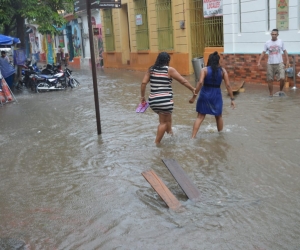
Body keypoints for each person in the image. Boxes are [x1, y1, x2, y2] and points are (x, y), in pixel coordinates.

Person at [140, 52, 196, 144]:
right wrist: (193, 89)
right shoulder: (169, 70)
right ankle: (156, 143)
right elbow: (183, 81)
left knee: (167, 119)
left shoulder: (151, 70)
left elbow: (143, 83)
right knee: (164, 122)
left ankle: (171, 137)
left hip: (153, 101)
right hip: (165, 101)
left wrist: (142, 97)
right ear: (167, 61)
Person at [189, 51, 235, 139]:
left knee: (200, 117)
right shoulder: (223, 71)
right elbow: (228, 85)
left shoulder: (204, 70)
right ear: (218, 61)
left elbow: (200, 82)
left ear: (209, 60)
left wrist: (194, 97)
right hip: (216, 96)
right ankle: (220, 137)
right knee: (218, 116)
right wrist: (232, 99)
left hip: (205, 94)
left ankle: (193, 137)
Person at [257, 28, 289, 96]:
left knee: (282, 78)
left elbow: (285, 51)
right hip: (270, 64)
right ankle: (271, 94)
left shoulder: (281, 42)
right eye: (273, 34)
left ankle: (280, 91)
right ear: (271, 34)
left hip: (279, 63)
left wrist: (288, 61)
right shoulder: (267, 43)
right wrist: (259, 62)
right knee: (270, 79)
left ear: (277, 35)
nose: (274, 35)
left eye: (275, 34)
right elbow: (263, 52)